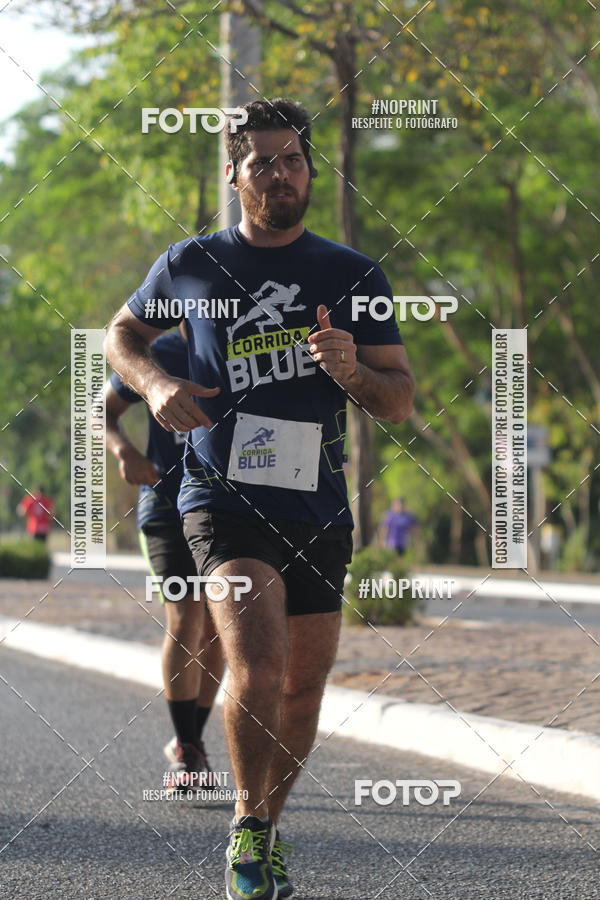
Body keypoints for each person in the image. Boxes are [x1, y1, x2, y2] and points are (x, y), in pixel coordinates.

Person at [105, 97, 415, 900]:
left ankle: (268, 826)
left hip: (318, 503)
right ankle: (246, 822)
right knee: (260, 663)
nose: (281, 174)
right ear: (234, 174)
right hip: (220, 497)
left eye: (293, 161)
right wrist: (156, 383)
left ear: (310, 171)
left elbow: (398, 399)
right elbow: (121, 336)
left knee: (303, 688)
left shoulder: (353, 274)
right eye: (263, 162)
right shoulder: (192, 263)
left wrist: (351, 370)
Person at [103, 323, 225, 793]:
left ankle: (190, 741)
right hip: (165, 505)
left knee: (219, 627)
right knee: (187, 613)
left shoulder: (242, 348)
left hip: (223, 507)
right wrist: (126, 452)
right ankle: (189, 750)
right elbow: (100, 413)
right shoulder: (158, 353)